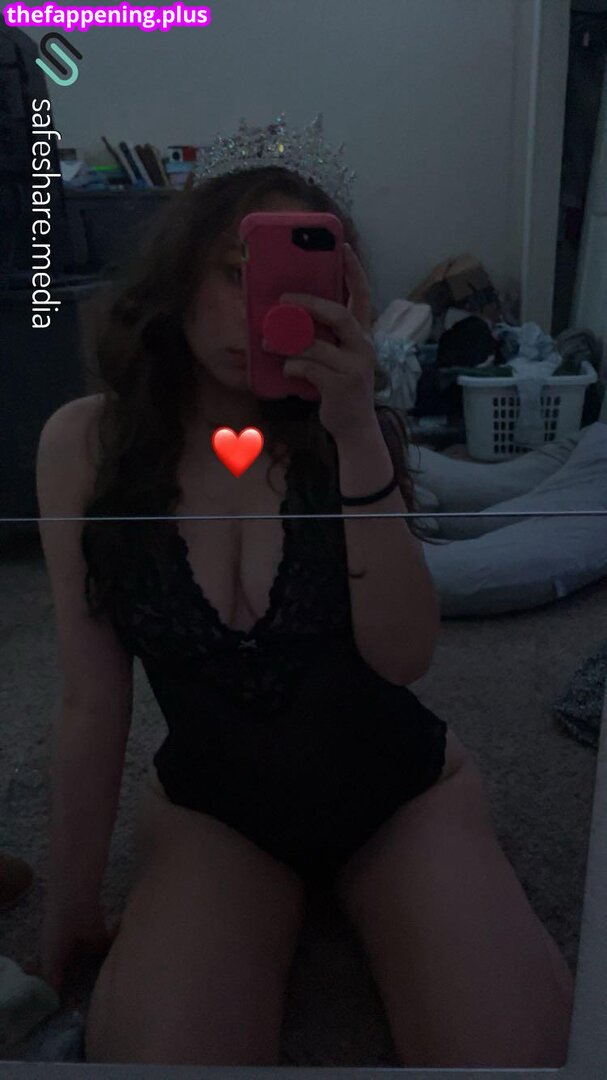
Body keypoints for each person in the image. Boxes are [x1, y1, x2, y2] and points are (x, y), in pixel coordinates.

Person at [34, 160, 574, 1069]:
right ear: (178, 276)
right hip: (215, 811)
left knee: (508, 1058)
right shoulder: (86, 444)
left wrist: (356, 427)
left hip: (397, 795)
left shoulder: (355, 433)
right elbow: (92, 698)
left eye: (291, 281)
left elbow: (403, 657)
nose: (258, 310)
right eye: (233, 274)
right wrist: (71, 895)